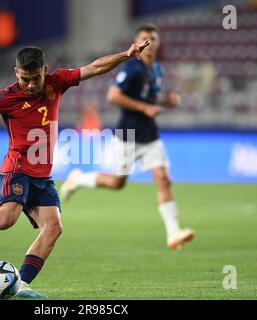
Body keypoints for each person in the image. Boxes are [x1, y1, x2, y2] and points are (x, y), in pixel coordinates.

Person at [0, 41, 150, 299]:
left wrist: (126, 54)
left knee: (53, 228)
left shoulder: (58, 82)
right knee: (4, 219)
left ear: (45, 70)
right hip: (17, 168)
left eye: (35, 78)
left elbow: (94, 68)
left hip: (43, 175)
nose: (31, 85)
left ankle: (20, 284)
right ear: (16, 73)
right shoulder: (5, 97)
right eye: (24, 79)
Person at [61, 24, 195, 250]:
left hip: (150, 135)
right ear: (137, 42)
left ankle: (173, 233)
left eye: (152, 38)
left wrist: (165, 102)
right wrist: (144, 108)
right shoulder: (132, 68)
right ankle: (78, 180)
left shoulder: (157, 70)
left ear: (158, 43)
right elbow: (113, 96)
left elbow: (149, 98)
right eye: (144, 38)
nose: (148, 43)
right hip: (127, 134)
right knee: (117, 183)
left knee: (163, 179)